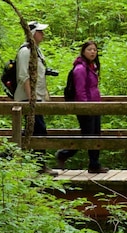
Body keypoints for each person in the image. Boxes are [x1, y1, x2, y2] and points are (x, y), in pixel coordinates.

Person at [56, 41, 108, 173]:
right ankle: (64, 154)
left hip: (95, 106)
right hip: (86, 107)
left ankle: (94, 164)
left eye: (94, 50)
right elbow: (80, 91)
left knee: (95, 135)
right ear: (83, 51)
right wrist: (85, 107)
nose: (92, 52)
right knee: (88, 136)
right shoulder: (80, 69)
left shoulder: (92, 67)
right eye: (89, 49)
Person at [14, 20, 57, 175]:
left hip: (36, 97)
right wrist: (31, 97)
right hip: (28, 99)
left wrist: (44, 94)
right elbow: (23, 76)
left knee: (31, 130)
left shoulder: (36, 51)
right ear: (32, 33)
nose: (42, 34)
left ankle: (8, 155)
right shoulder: (25, 51)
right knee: (40, 130)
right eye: (39, 32)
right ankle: (40, 165)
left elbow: (39, 74)